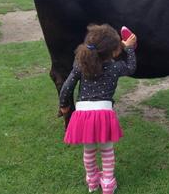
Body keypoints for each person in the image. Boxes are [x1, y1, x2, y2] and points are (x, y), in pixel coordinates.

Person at [59, 24, 137, 194]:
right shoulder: (115, 67)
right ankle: (108, 184)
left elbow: (67, 87)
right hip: (104, 114)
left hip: (83, 115)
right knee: (107, 150)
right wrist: (129, 49)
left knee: (89, 150)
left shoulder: (80, 64)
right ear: (113, 52)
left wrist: (64, 106)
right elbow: (131, 67)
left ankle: (92, 182)